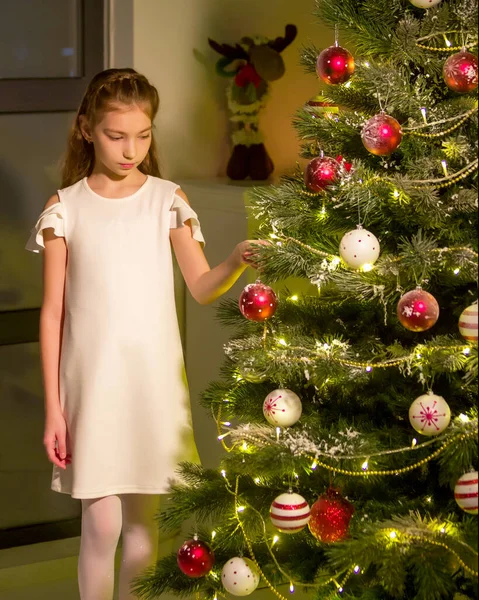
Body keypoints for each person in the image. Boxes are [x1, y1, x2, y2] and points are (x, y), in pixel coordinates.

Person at [25, 68, 262, 600]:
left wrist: (234, 261)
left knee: (142, 533)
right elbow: (52, 314)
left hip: (153, 389)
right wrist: (54, 409)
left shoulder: (166, 199)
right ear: (87, 129)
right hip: (93, 390)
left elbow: (201, 287)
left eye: (143, 135)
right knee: (102, 526)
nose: (131, 149)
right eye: (116, 135)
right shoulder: (66, 208)